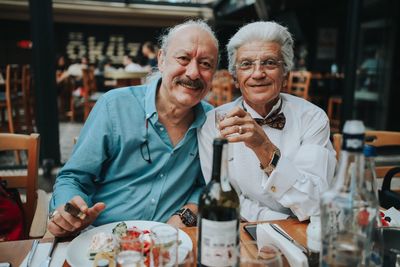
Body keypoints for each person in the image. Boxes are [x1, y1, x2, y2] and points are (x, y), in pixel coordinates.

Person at [48, 20, 219, 237]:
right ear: (162, 60)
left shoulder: (211, 120)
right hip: (101, 238)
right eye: (183, 58)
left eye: (205, 64)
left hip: (167, 242)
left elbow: (208, 183)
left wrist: (187, 213)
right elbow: (72, 178)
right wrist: (67, 212)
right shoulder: (114, 106)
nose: (194, 73)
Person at [198, 21, 336, 222]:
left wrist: (263, 147)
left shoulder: (312, 119)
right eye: (246, 64)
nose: (258, 73)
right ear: (236, 78)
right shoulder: (214, 123)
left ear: (285, 74)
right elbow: (226, 197)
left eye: (270, 62)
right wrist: (278, 222)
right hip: (248, 228)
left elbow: (313, 202)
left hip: (306, 230)